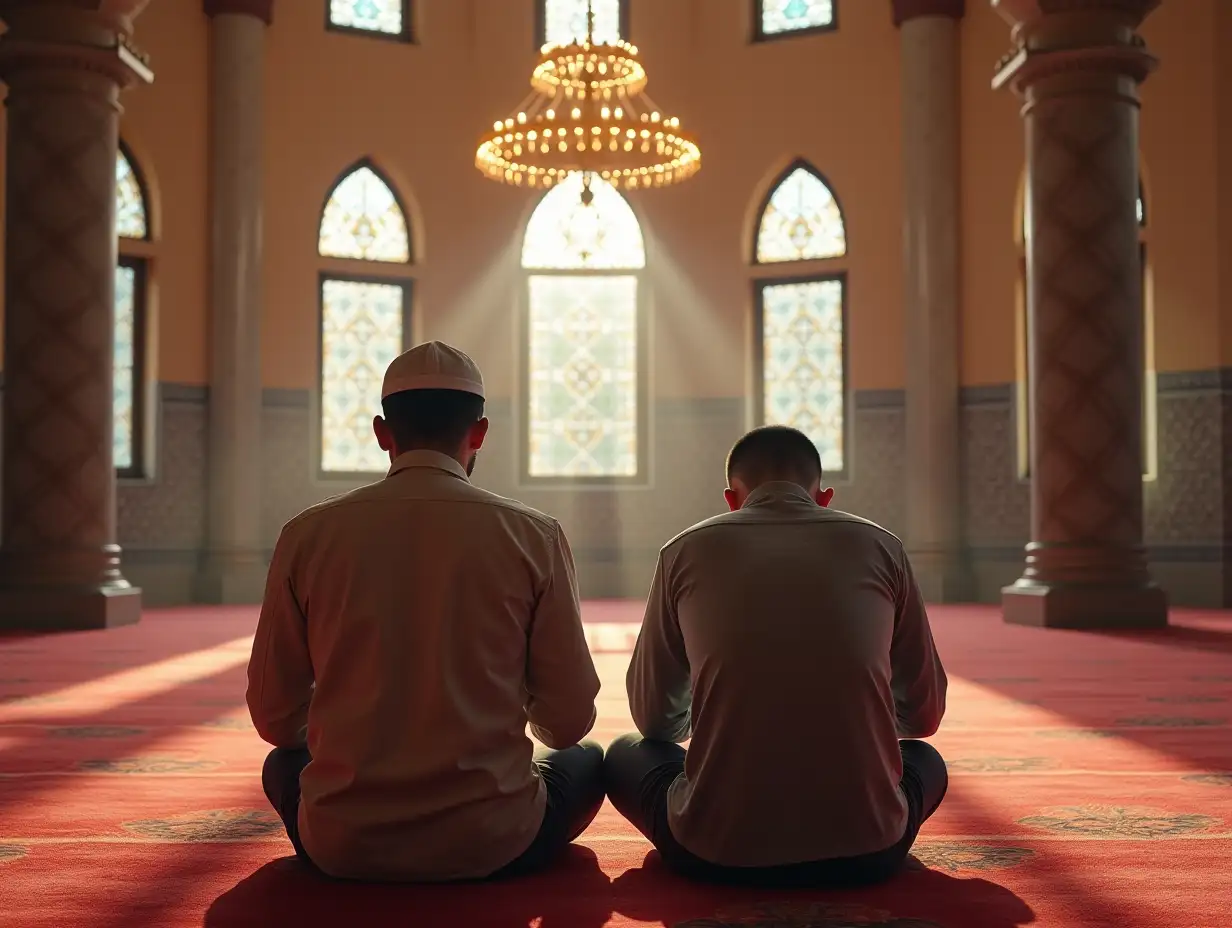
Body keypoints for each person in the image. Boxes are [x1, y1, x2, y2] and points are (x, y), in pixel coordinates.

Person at [247, 341, 603, 882]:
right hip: (495, 841)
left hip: (343, 846)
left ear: (382, 433)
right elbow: (568, 721)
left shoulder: (308, 534)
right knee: (587, 759)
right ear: (479, 432)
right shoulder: (533, 535)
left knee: (283, 765)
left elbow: (275, 718)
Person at [605, 425, 948, 887]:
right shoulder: (882, 547)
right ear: (823, 497)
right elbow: (923, 717)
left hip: (712, 851)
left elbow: (655, 721)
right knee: (924, 758)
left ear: (732, 498)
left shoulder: (683, 551)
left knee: (625, 753)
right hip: (871, 850)